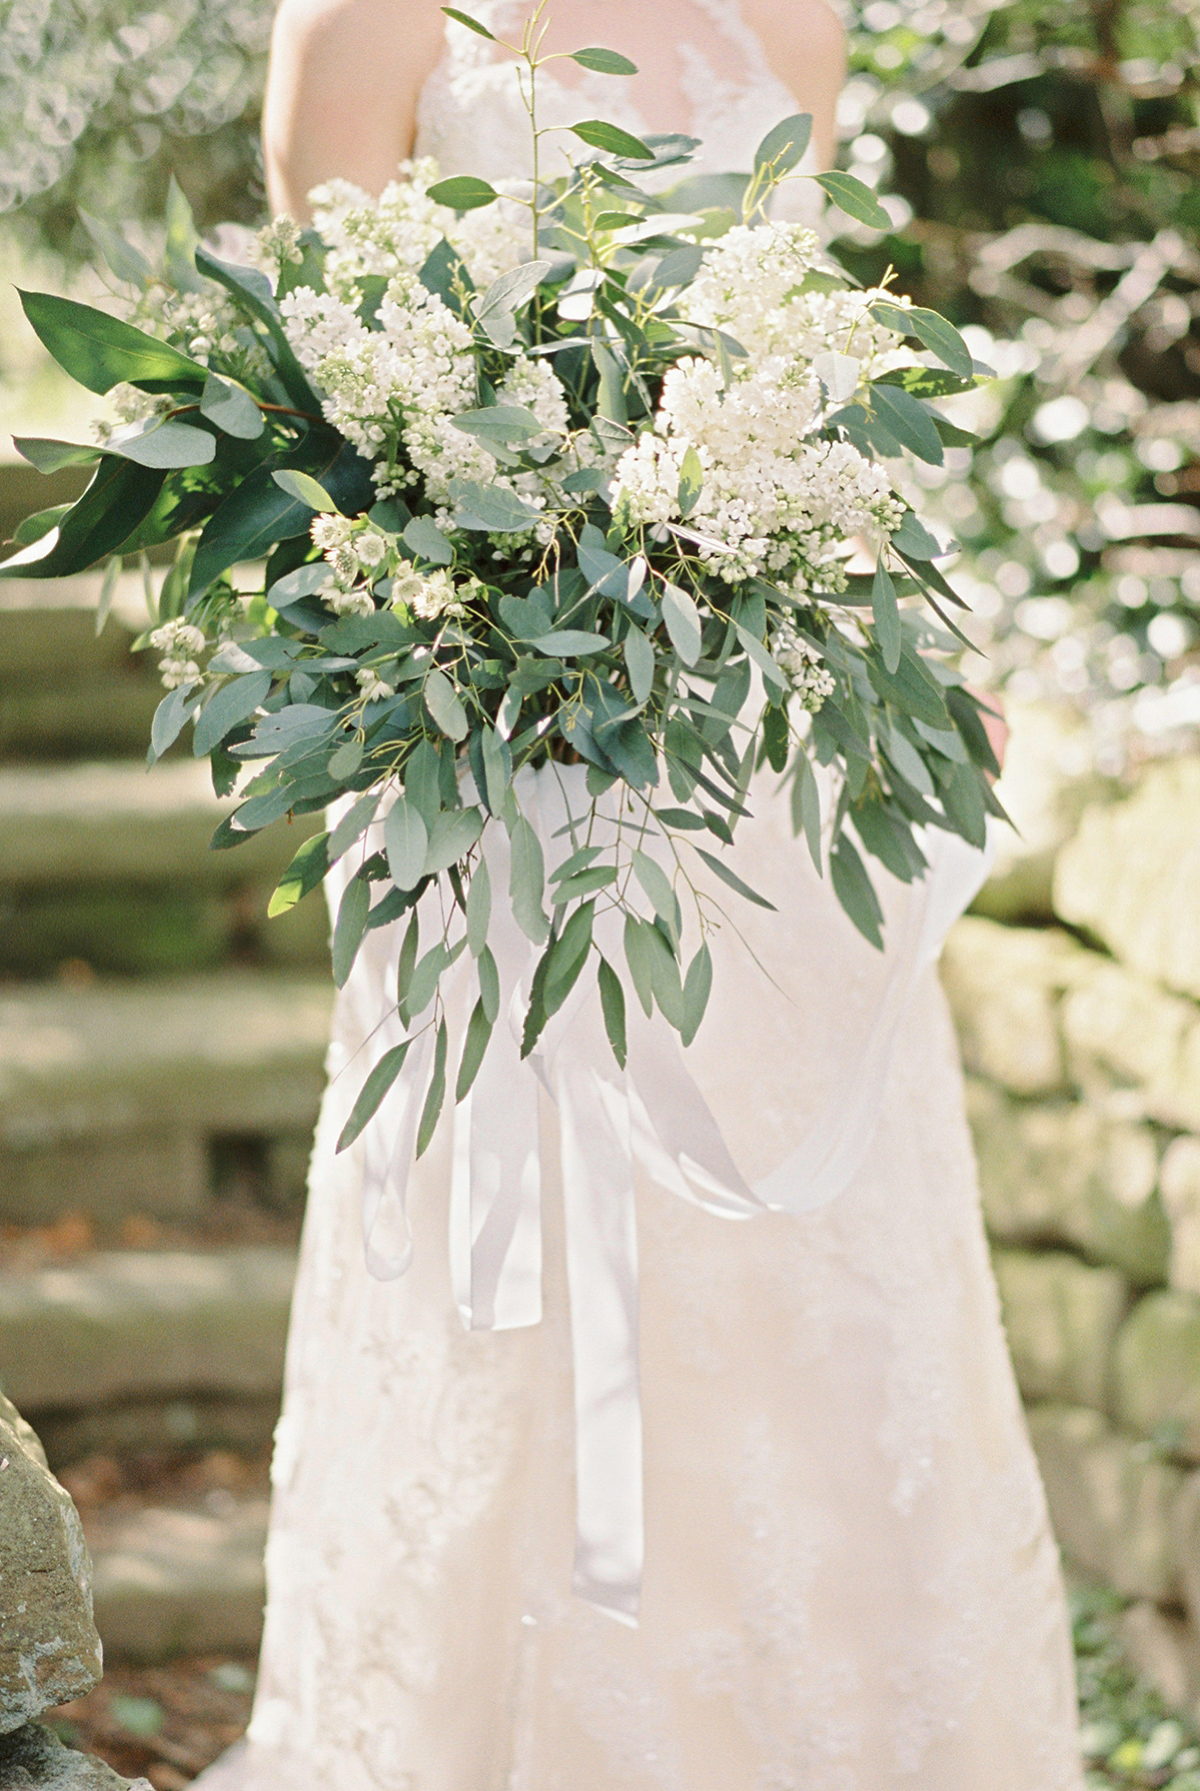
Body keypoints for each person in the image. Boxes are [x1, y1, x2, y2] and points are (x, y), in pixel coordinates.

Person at [197, 4, 1086, 1785]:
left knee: (809, 1249)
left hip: (765, 765)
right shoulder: (365, 18)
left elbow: (808, 373)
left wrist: (914, 625)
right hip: (501, 749)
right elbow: (324, 404)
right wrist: (491, 596)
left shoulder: (796, 16)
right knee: (521, 1242)